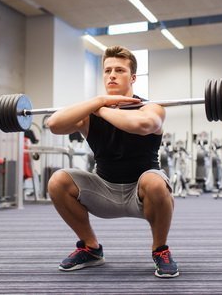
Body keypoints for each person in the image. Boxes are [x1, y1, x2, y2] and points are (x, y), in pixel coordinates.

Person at [46, 45, 179, 278]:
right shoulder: (92, 111)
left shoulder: (151, 108)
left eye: (119, 70)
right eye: (107, 71)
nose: (112, 75)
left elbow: (142, 125)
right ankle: (91, 248)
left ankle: (160, 250)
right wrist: (99, 101)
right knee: (58, 181)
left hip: (142, 193)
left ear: (133, 77)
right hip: (104, 190)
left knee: (155, 181)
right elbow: (54, 124)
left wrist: (102, 109)